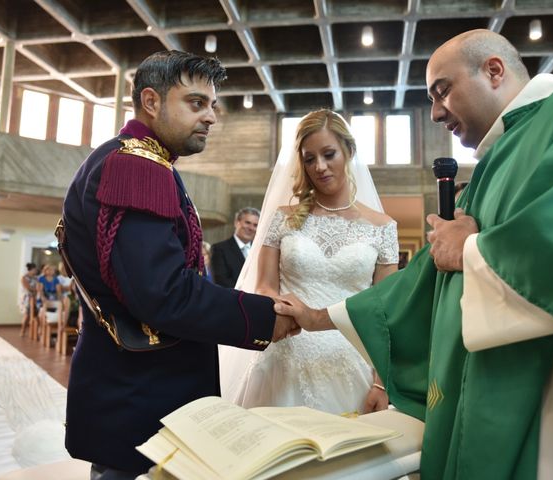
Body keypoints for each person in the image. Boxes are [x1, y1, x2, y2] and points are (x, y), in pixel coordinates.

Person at [276, 30, 553, 479]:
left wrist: (472, 248)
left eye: (443, 91)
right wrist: (320, 317)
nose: (437, 112)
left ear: (494, 71)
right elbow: (432, 277)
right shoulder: (499, 157)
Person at [61, 50, 297, 479]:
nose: (211, 116)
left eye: (212, 105)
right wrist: (264, 318)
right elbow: (163, 293)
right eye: (195, 103)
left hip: (133, 385)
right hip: (141, 393)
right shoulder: (138, 167)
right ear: (151, 101)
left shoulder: (138, 160)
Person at [220, 109, 397, 415]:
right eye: (309, 158)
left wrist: (382, 383)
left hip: (351, 362)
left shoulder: (382, 227)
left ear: (349, 152)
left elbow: (386, 314)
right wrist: (282, 312)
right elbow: (264, 284)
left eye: (329, 154)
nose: (320, 167)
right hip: (286, 356)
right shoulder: (282, 219)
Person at [210, 207, 260, 287]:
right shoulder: (219, 249)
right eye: (247, 222)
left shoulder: (260, 251)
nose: (251, 228)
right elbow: (221, 280)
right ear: (237, 223)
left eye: (255, 225)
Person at [19, 262, 38, 336]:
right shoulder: (24, 277)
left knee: (35, 315)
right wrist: (36, 289)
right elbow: (28, 288)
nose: (36, 271)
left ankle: (34, 332)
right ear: (31, 269)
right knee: (27, 315)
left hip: (34, 298)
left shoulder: (36, 278)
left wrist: (37, 290)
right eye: (34, 269)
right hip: (27, 298)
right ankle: (22, 330)